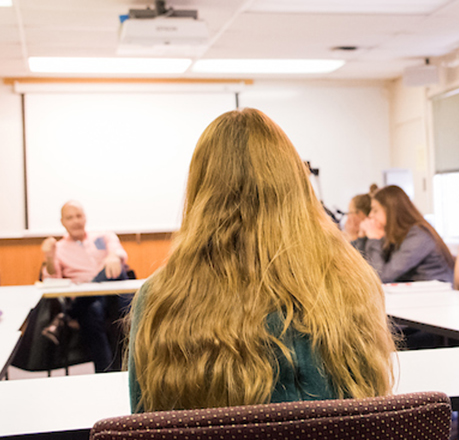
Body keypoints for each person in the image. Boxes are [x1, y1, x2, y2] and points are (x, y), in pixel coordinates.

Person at [128, 108, 396, 413]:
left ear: (201, 190)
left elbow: (146, 422)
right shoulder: (350, 282)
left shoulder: (160, 299)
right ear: (297, 186)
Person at [40, 201, 130, 373]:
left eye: (79, 216)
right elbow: (52, 281)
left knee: (115, 270)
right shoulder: (58, 248)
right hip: (91, 304)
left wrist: (112, 257)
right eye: (70, 217)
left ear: (85, 218)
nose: (75, 221)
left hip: (114, 297)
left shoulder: (104, 237)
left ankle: (68, 314)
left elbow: (118, 252)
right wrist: (49, 258)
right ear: (62, 222)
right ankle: (107, 374)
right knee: (92, 311)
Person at [352, 186, 454, 283]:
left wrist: (373, 239)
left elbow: (380, 277)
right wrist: (362, 237)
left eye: (375, 210)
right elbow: (361, 270)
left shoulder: (418, 236)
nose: (370, 215)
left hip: (436, 295)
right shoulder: (396, 235)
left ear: (391, 211)